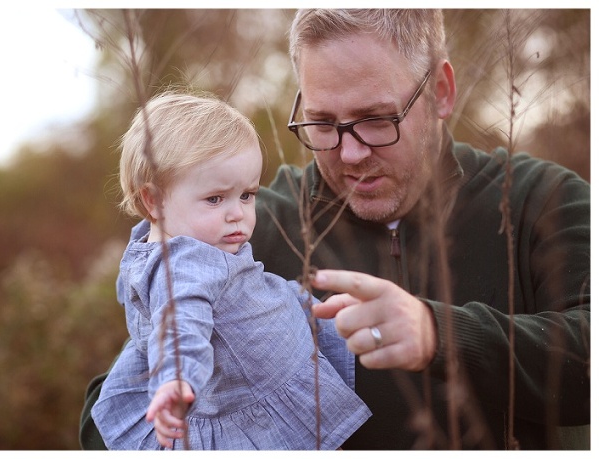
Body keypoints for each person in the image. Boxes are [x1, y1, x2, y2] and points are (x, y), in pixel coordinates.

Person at [81, 9, 590, 450]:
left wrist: (441, 334)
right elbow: (108, 416)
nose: (350, 153)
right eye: (322, 123)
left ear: (440, 91)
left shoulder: (541, 202)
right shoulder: (252, 224)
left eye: (375, 119)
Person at [89, 90, 371, 450]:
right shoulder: (183, 264)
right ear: (154, 200)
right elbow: (179, 320)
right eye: (215, 198)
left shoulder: (150, 242)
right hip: (257, 401)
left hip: (280, 342)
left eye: (247, 195)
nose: (237, 213)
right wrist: (177, 377)